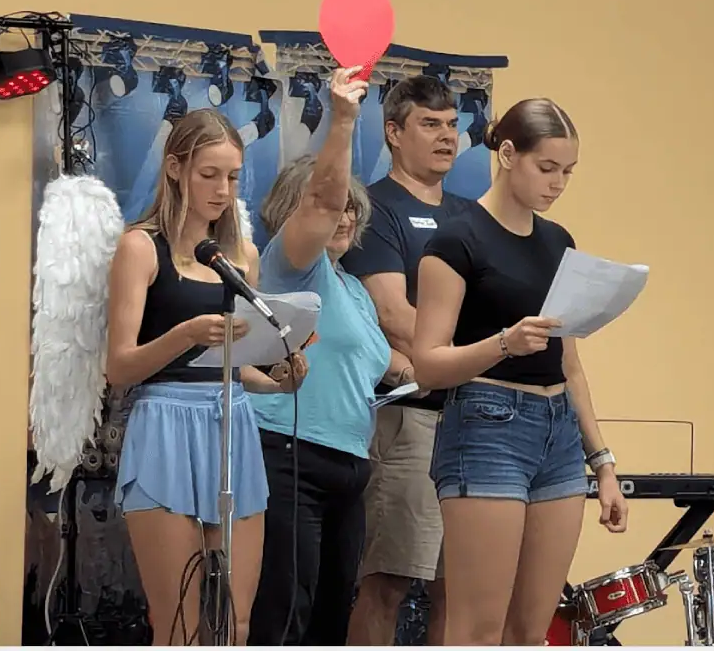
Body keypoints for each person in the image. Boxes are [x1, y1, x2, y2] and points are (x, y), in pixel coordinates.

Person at [411, 98, 629, 646]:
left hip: (557, 433)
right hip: (487, 425)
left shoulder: (559, 244)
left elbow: (570, 364)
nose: (558, 184)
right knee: (477, 627)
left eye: (568, 172)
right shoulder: (457, 240)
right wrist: (503, 344)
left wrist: (601, 462)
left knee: (534, 630)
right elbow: (428, 363)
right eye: (547, 168)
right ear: (507, 154)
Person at [107, 107, 305, 645]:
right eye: (208, 174)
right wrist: (184, 335)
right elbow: (119, 365)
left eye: (233, 176)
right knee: (178, 623)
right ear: (175, 169)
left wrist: (279, 378)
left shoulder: (239, 256)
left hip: (231, 422)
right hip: (164, 422)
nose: (222, 189)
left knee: (235, 623)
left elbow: (236, 369)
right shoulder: (140, 247)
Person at [246, 144, 418, 643]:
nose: (341, 216)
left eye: (349, 206)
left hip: (349, 465)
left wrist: (467, 361)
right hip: (288, 453)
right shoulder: (292, 263)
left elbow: (395, 366)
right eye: (329, 205)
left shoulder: (355, 291)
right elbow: (316, 213)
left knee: (329, 617)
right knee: (283, 609)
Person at [341, 75, 474, 646]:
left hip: (479, 419)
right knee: (389, 580)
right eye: (430, 124)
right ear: (393, 132)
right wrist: (484, 350)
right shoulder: (376, 209)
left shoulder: (474, 215)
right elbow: (393, 314)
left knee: (462, 588)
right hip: (412, 417)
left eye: (452, 125)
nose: (447, 137)